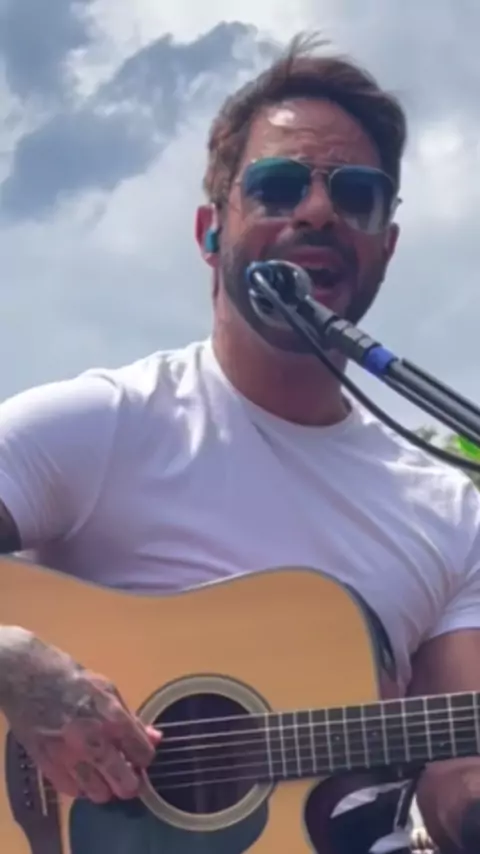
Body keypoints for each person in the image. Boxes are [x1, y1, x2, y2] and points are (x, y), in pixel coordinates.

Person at [0, 31, 478, 853]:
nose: (318, 211)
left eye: (358, 195)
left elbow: (459, 789)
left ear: (387, 247)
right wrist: (15, 663)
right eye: (278, 186)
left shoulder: (450, 510)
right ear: (210, 231)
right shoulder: (104, 424)